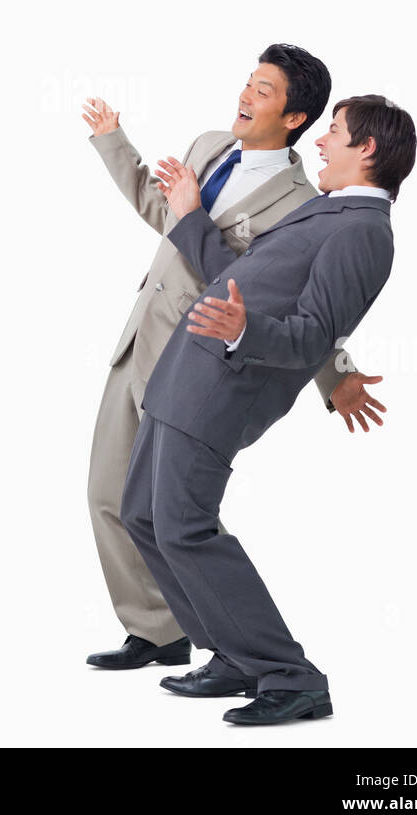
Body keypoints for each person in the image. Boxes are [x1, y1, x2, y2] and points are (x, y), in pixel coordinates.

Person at [84, 45, 386, 695]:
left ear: (297, 116)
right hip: (143, 339)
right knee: (118, 499)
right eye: (248, 83)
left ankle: (248, 655)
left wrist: (338, 377)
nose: (246, 95)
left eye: (265, 90)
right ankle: (160, 631)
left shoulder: (309, 201)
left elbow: (288, 300)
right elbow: (164, 213)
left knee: (182, 516)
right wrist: (114, 142)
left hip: (207, 361)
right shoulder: (211, 147)